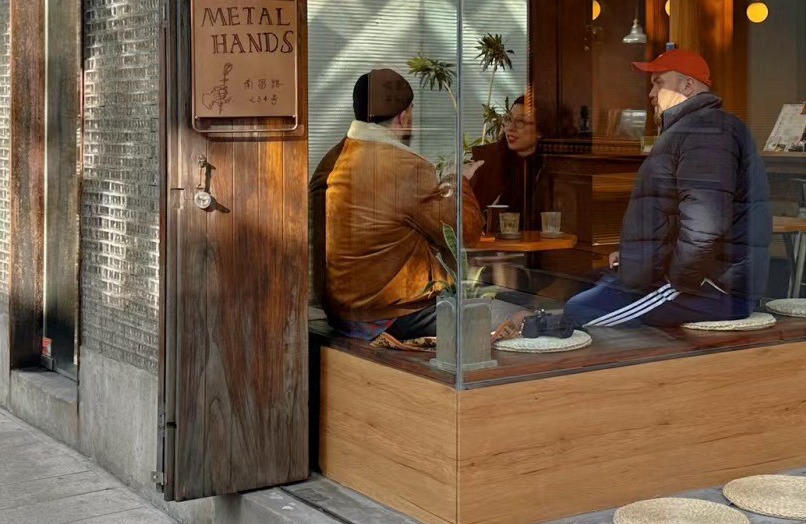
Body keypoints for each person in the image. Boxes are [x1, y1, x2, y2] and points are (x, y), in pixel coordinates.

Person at [563, 48, 770, 328]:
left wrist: (677, 281)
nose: (651, 93)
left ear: (688, 85)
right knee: (580, 287)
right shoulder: (692, 129)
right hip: (695, 281)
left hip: (709, 289)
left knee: (580, 314)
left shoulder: (707, 130)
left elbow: (703, 227)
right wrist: (636, 258)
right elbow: (673, 214)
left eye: (659, 83)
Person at [311, 68, 483, 339]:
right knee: (513, 315)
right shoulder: (405, 166)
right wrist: (456, 180)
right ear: (404, 116)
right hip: (392, 315)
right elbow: (463, 234)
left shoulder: (331, 161)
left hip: (340, 313)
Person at [468, 94, 547, 222]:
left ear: (539, 131)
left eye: (520, 122)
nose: (510, 128)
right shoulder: (485, 161)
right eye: (509, 119)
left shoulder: (550, 169)